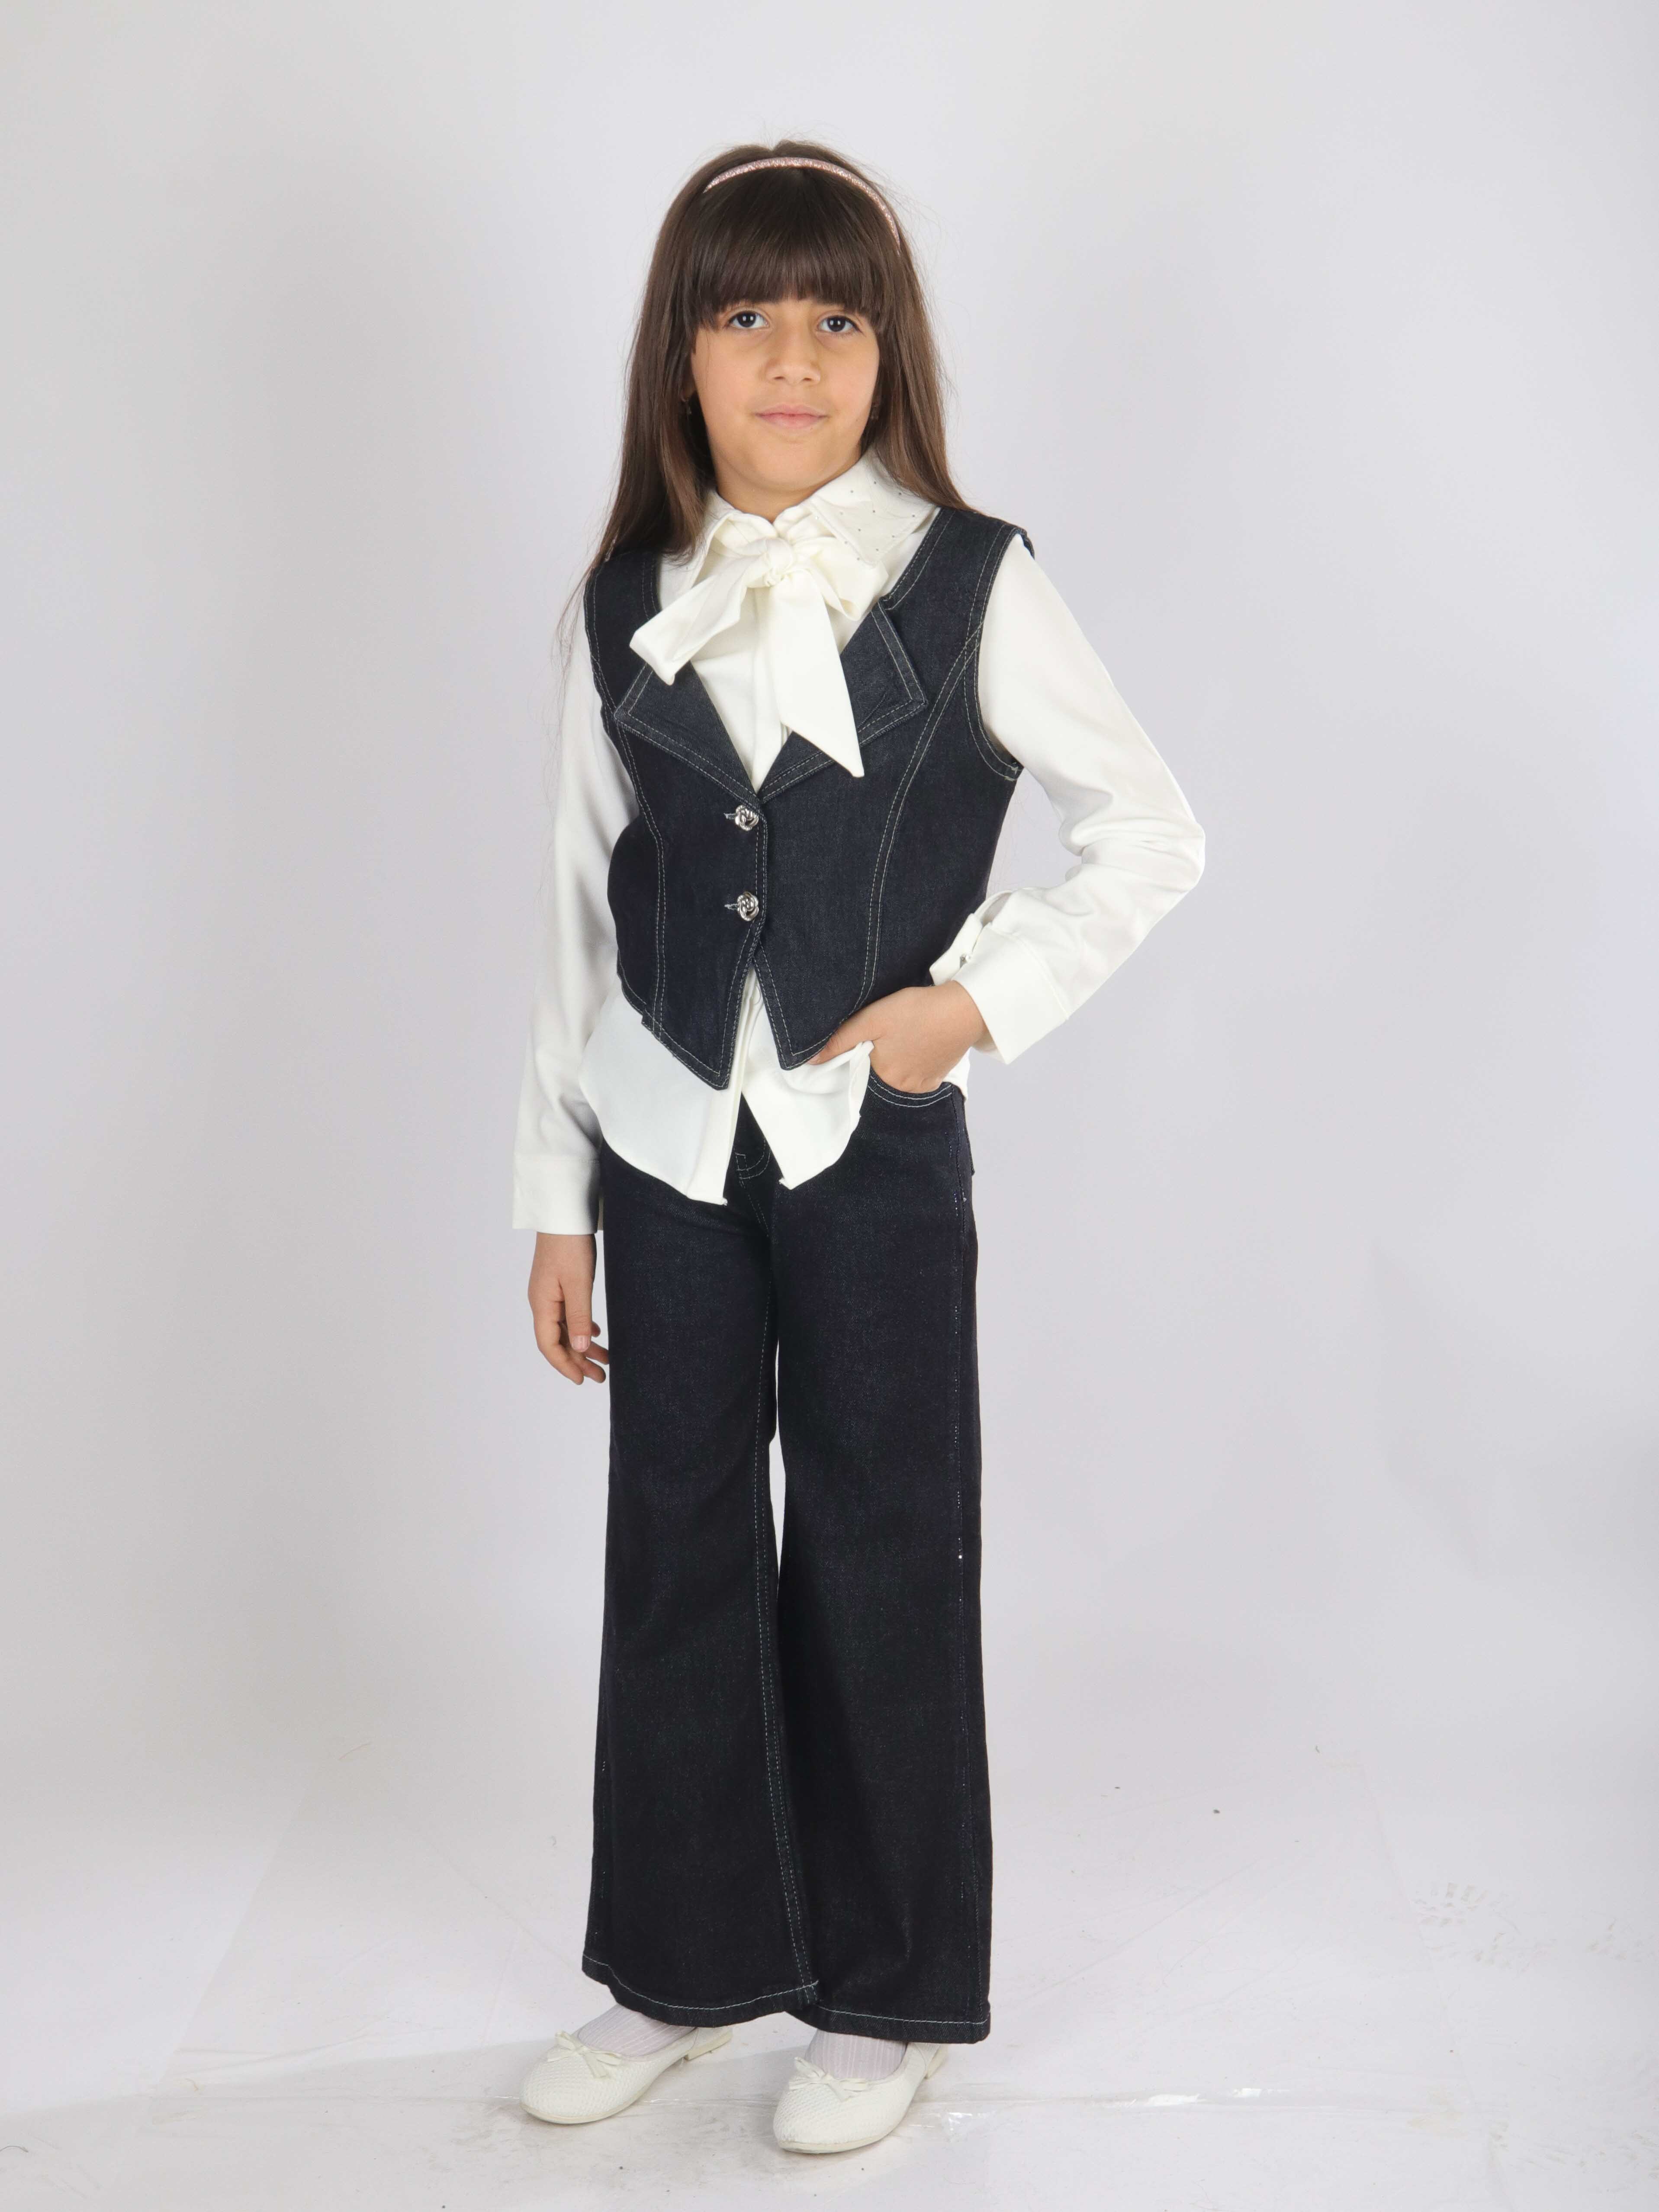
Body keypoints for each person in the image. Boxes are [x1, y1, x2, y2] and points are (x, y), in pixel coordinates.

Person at [510, 139, 1205, 2155]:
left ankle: (884, 1995)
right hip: (661, 1142)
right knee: (674, 1541)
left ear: (888, 351)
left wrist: (961, 1007)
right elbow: (572, 917)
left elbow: (1149, 831)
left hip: (870, 1149)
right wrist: (553, 1196)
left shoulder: (973, 581)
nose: (792, 361)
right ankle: (680, 1965)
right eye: (744, 317)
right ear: (681, 354)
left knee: (885, 1541)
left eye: (836, 318)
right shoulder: (619, 605)